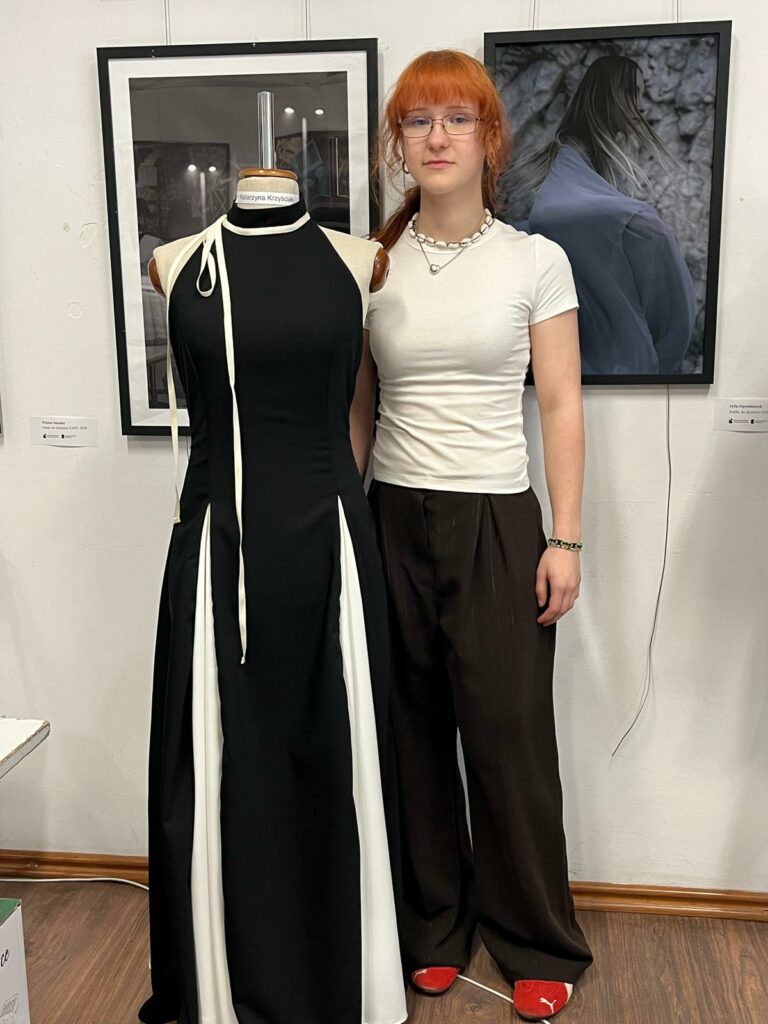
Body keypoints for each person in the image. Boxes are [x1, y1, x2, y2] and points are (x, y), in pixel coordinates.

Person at [353, 49, 594, 1021]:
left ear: (490, 139)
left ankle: (538, 940)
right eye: (418, 121)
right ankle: (434, 928)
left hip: (497, 520)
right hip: (390, 518)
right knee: (412, 735)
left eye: (457, 119)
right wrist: (346, 521)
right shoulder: (370, 264)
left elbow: (562, 405)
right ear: (399, 144)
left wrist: (565, 539)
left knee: (508, 742)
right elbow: (360, 409)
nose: (438, 137)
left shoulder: (535, 260)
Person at [505, 54, 697, 376]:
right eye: (632, 93)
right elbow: (550, 216)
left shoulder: (590, 167)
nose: (641, 106)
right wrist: (635, 218)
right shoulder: (570, 171)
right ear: (607, 96)